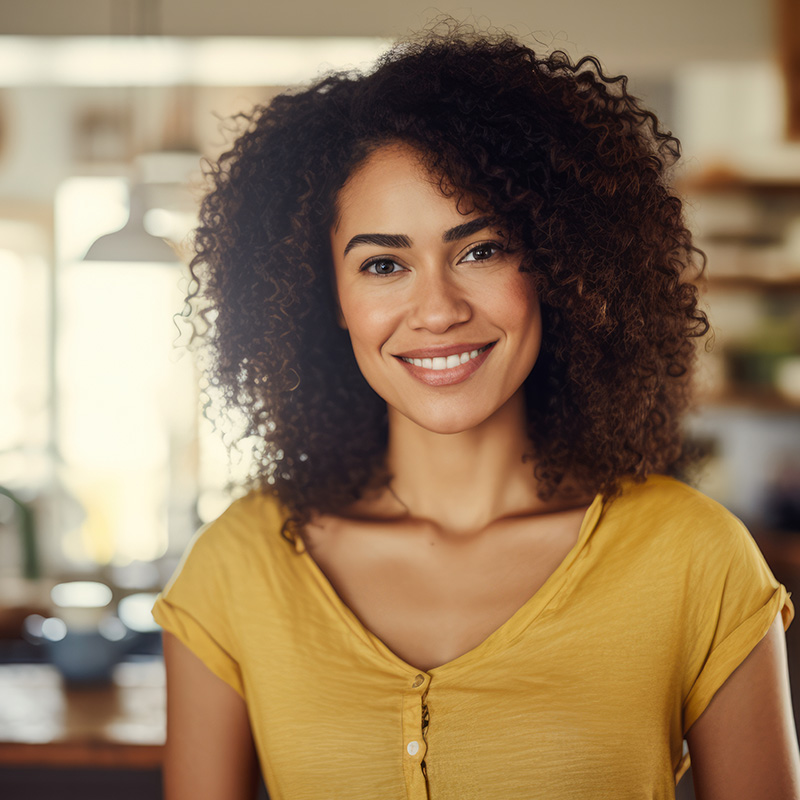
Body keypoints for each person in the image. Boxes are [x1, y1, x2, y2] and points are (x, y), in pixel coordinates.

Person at [152, 23, 800, 800]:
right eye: (384, 264)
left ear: (555, 266)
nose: (437, 310)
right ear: (327, 296)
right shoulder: (236, 569)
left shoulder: (697, 559)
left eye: (480, 249)